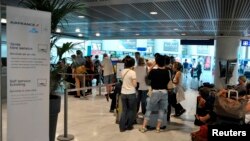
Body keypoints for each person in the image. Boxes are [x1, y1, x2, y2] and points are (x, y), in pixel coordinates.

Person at [139, 54, 170, 133]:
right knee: (162, 110)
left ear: (157, 62)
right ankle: (158, 128)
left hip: (155, 92)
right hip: (164, 92)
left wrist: (153, 65)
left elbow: (147, 77)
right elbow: (168, 81)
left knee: (149, 109)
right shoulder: (167, 71)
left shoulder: (153, 71)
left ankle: (143, 127)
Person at [119, 56, 137, 132]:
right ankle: (129, 126)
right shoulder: (133, 72)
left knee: (124, 110)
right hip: (131, 93)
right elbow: (135, 85)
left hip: (123, 93)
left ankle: (122, 127)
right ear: (132, 64)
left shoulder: (122, 71)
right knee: (130, 110)